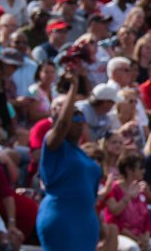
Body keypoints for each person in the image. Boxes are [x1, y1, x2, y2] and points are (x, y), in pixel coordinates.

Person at [35, 71, 102, 251]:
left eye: (82, 118)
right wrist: (74, 87)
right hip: (61, 218)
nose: (80, 122)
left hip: (86, 224)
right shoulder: (54, 145)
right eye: (74, 117)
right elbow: (63, 125)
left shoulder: (83, 155)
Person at [103, 154, 151, 251]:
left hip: (139, 237)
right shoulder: (114, 188)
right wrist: (136, 239)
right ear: (129, 169)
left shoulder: (140, 189)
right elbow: (113, 219)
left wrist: (146, 237)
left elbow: (147, 218)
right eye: (140, 168)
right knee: (133, 248)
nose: (144, 171)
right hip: (120, 235)